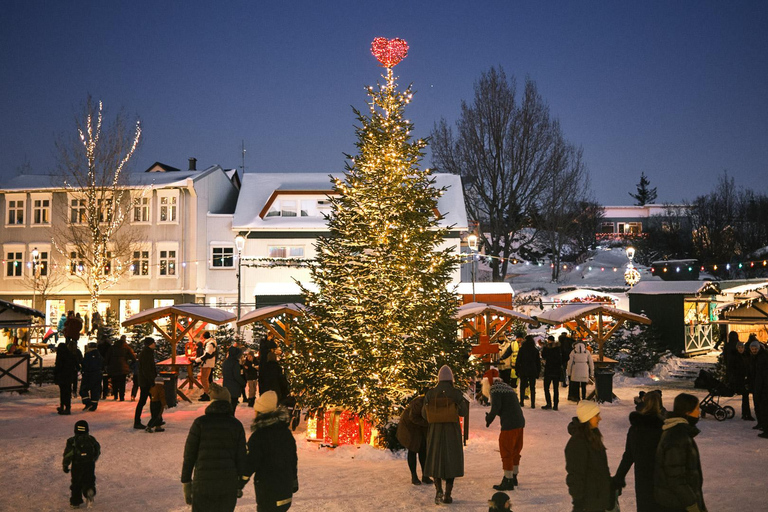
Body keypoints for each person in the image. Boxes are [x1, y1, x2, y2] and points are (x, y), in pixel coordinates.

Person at [181, 382, 249, 512]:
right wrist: (239, 483)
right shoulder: (236, 425)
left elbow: (189, 454)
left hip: (203, 483)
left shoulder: (200, 423)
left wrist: (186, 482)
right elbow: (241, 456)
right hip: (227, 483)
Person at [422, 365, 469, 505]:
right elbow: (463, 412)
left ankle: (438, 491)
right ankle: (448, 494)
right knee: (451, 460)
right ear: (451, 379)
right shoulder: (456, 393)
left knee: (435, 459)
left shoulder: (430, 394)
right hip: (452, 431)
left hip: (435, 431)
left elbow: (424, 414)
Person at [244, 390, 299, 511]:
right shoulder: (285, 433)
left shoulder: (259, 436)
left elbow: (251, 461)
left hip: (268, 492)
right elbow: (292, 458)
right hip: (285, 489)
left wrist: (240, 481)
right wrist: (294, 479)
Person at [613, 390, 666, 512]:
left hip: (642, 477)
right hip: (661, 478)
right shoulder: (663, 428)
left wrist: (619, 477)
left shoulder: (636, 428)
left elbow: (628, 456)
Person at [654, 393, 707, 512]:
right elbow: (675, 477)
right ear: (687, 412)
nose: (698, 413)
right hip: (678, 504)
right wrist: (692, 504)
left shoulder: (679, 432)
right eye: (696, 409)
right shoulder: (677, 436)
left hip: (679, 501)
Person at [565, 400, 613, 512]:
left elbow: (601, 469)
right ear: (588, 418)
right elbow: (575, 476)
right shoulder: (578, 443)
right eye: (596, 415)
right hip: (588, 503)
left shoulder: (593, 437)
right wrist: (579, 503)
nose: (599, 418)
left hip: (598, 500)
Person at [485, 377, 525, 491]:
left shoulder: (495, 389)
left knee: (506, 451)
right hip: (520, 422)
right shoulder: (507, 387)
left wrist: (489, 419)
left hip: (510, 424)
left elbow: (496, 407)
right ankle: (513, 477)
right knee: (515, 451)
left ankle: (508, 480)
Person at [62, 419, 101, 509]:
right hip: (89, 464)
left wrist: (65, 464)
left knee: (76, 483)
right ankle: (89, 491)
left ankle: (75, 502)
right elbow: (97, 450)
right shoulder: (91, 439)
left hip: (77, 464)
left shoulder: (72, 441)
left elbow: (68, 454)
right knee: (89, 480)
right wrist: (93, 459)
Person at [396, 391, 432, 485]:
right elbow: (413, 417)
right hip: (409, 428)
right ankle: (414, 476)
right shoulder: (419, 403)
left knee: (423, 450)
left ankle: (425, 475)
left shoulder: (430, 402)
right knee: (413, 449)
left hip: (420, 428)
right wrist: (428, 423)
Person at [134, 337, 157, 429]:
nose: (155, 344)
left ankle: (155, 419)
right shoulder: (147, 353)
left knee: (151, 401)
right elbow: (147, 369)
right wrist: (151, 381)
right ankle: (153, 420)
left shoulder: (147, 352)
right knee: (150, 401)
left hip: (145, 381)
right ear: (150, 344)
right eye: (153, 343)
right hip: (146, 382)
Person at [105, 334, 137, 401]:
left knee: (114, 381)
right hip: (123, 367)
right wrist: (129, 364)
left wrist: (107, 365)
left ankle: (115, 395)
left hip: (113, 367)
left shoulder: (112, 347)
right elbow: (133, 358)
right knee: (122, 382)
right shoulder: (127, 348)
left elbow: (107, 357)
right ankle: (121, 396)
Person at [728, 341, 754, 420]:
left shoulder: (746, 355)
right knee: (745, 396)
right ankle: (746, 414)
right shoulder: (735, 356)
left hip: (746, 378)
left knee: (746, 397)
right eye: (739, 348)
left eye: (742, 347)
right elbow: (732, 368)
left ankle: (746, 414)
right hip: (739, 379)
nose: (741, 349)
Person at [749, 337, 768, 436]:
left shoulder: (762, 357)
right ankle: (762, 424)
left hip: (763, 387)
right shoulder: (755, 357)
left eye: (755, 349)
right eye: (752, 349)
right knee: (759, 407)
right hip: (758, 386)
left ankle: (766, 429)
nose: (754, 351)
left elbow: (762, 375)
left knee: (764, 408)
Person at [515, 335, 541, 409]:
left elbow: (518, 360)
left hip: (524, 369)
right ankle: (533, 403)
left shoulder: (522, 349)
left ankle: (522, 402)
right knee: (532, 387)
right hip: (532, 370)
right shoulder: (535, 350)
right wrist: (538, 372)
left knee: (522, 386)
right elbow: (538, 362)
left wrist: (517, 370)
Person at [54, 342, 77, 415]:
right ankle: (67, 407)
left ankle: (63, 407)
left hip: (62, 377)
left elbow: (58, 366)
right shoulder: (70, 355)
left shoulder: (60, 355)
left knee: (63, 392)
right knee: (67, 392)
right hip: (69, 376)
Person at [541, 335, 564, 410]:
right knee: (555, 389)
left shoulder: (546, 348)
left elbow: (543, 356)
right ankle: (555, 405)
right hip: (556, 371)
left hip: (549, 370)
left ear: (548, 340)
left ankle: (548, 403)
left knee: (546, 388)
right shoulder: (558, 349)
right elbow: (561, 360)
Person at [80, 342, 104, 412]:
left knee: (83, 390)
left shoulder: (87, 354)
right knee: (95, 390)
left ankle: (87, 402)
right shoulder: (99, 355)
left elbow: (84, 364)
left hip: (89, 374)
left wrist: (83, 370)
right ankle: (94, 405)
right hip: (98, 374)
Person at [223, 345, 246, 411]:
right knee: (233, 406)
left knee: (228, 406)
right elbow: (237, 376)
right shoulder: (235, 363)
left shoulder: (226, 362)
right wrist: (243, 383)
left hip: (226, 386)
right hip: (234, 387)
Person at [195, 331, 217, 401]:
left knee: (204, 379)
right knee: (204, 379)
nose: (201, 338)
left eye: (201, 337)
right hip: (207, 363)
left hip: (207, 364)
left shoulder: (210, 344)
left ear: (204, 337)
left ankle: (207, 394)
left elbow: (207, 354)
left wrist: (198, 360)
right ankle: (206, 392)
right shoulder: (209, 343)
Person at [96, 334, 112, 400]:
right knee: (105, 380)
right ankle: (105, 394)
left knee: (99, 380)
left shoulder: (99, 346)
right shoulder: (109, 346)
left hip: (99, 365)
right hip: (107, 364)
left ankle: (99, 393)